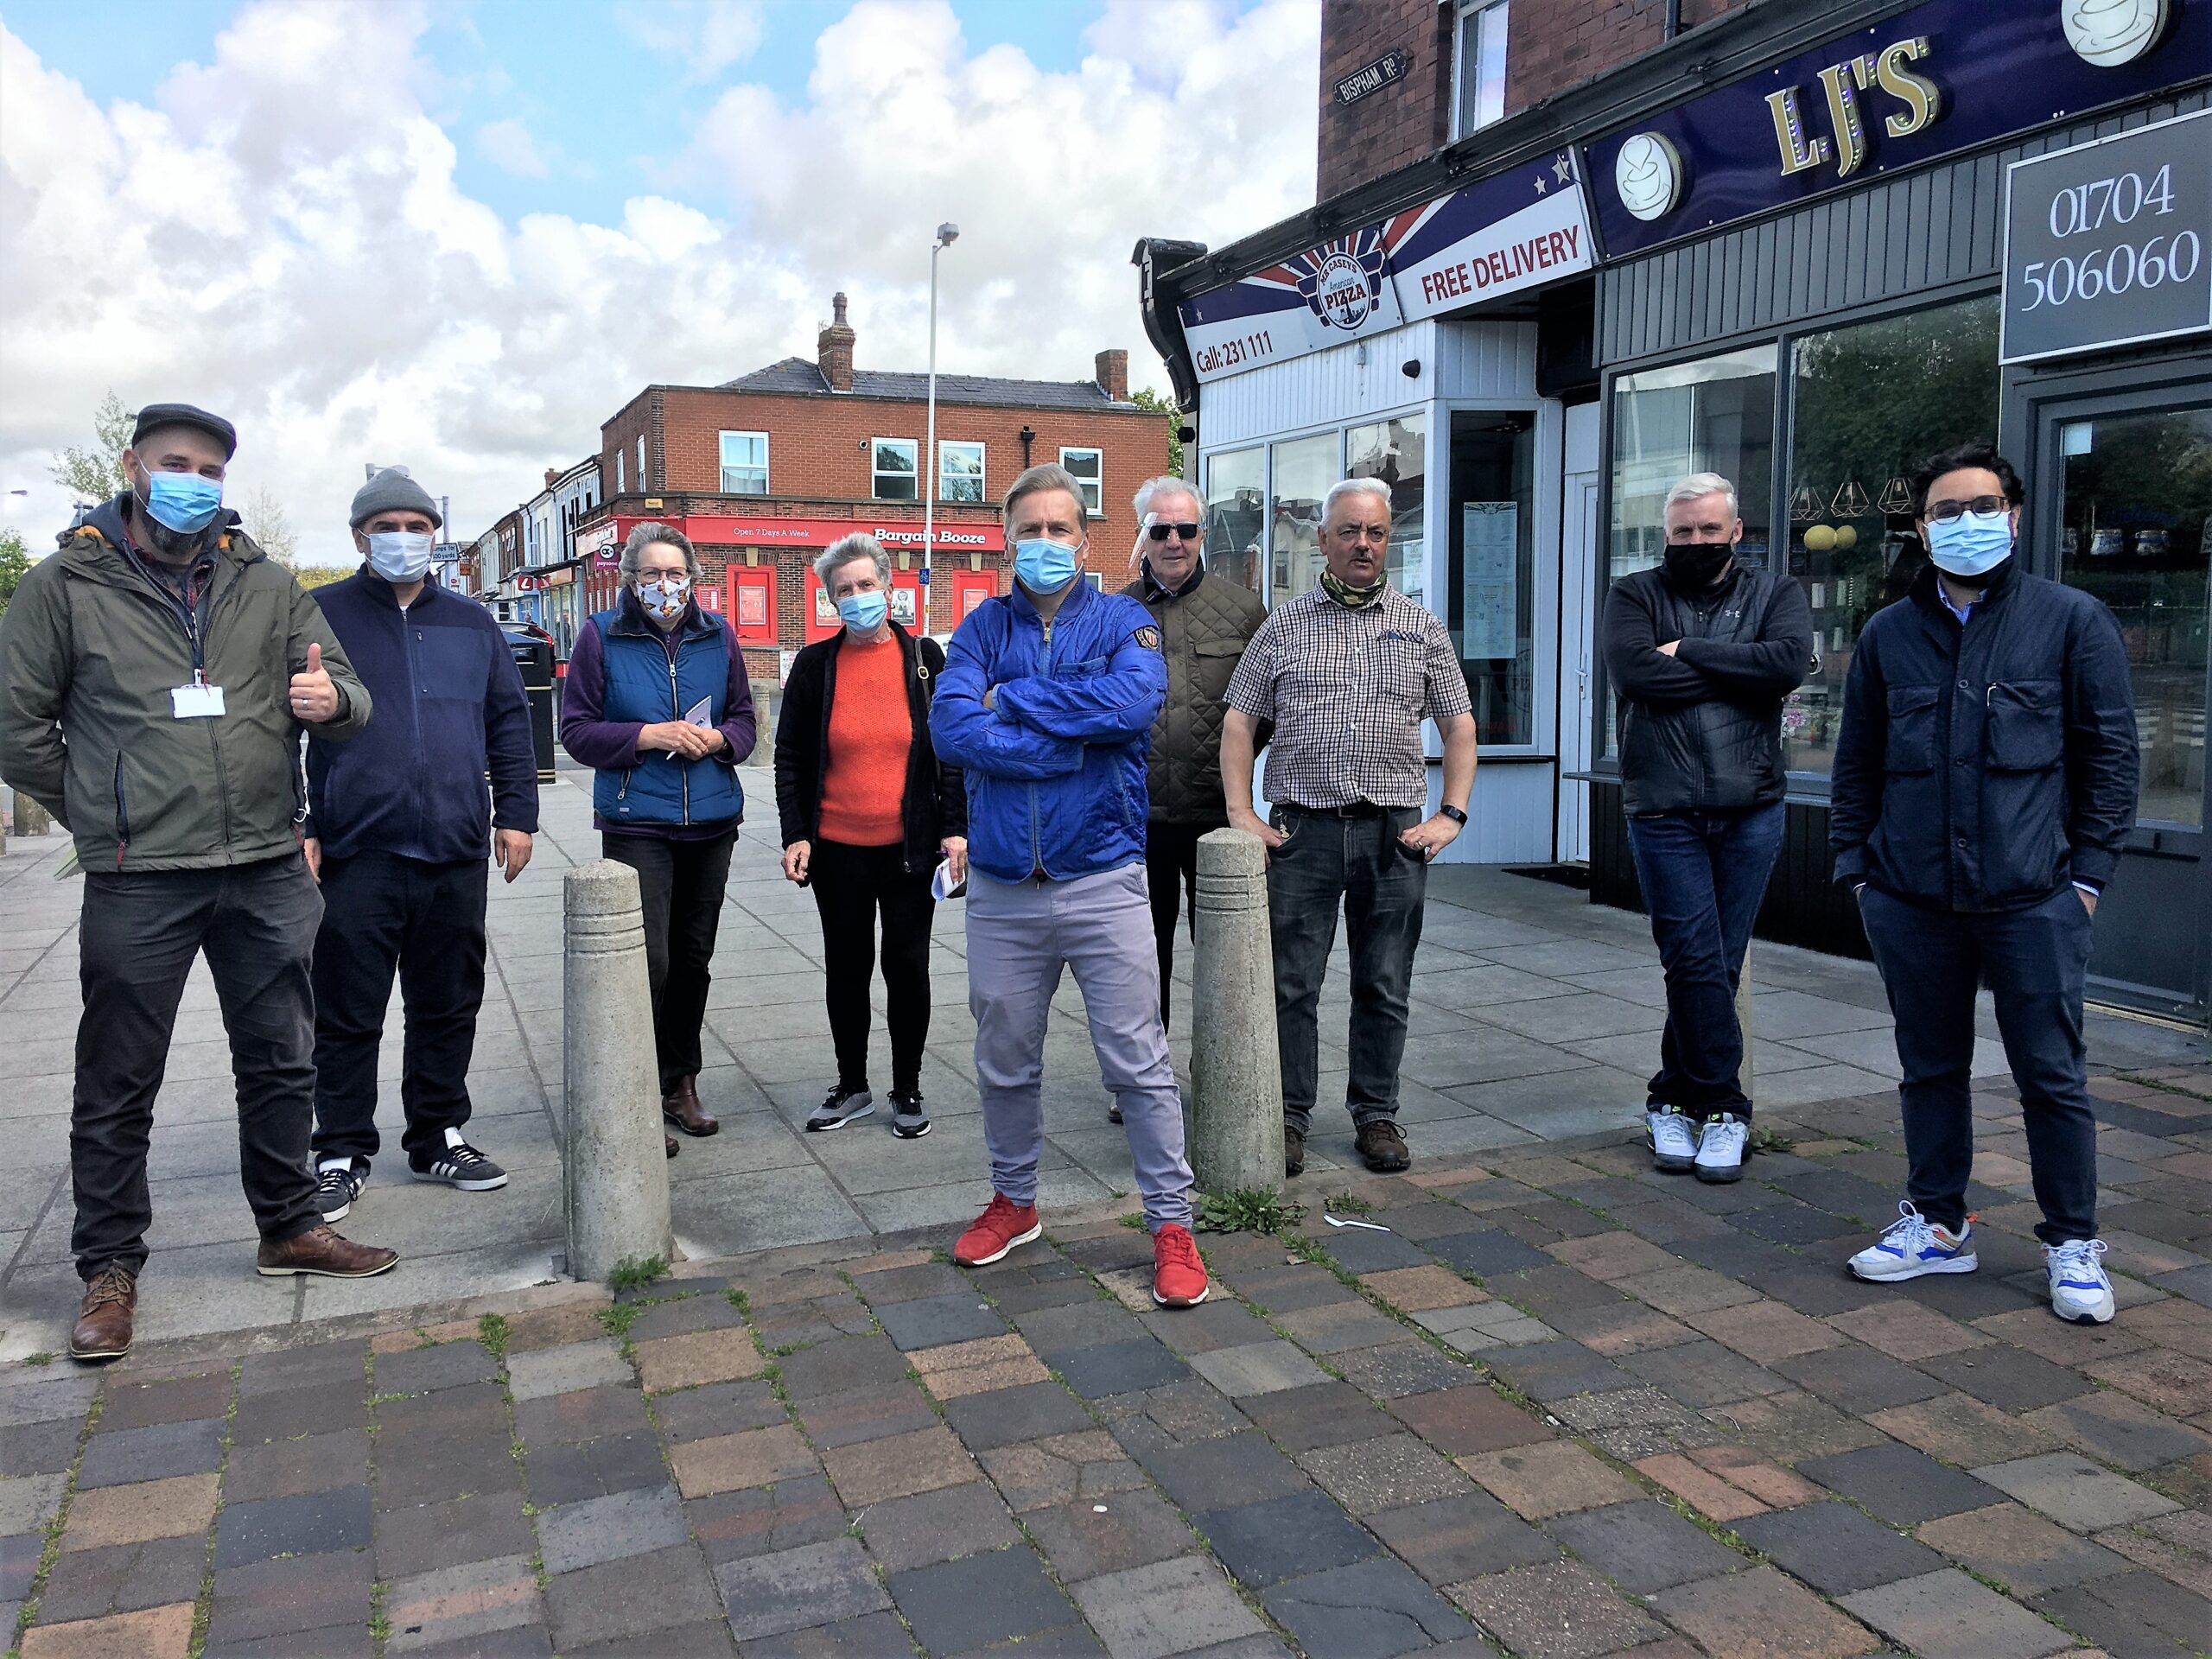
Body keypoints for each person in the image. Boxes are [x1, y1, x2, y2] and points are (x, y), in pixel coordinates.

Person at [0, 403, 397, 1363]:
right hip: (142, 876)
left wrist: (330, 699)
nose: (194, 481)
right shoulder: (64, 584)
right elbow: (16, 727)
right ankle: (109, 1267)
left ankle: (289, 1225)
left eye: (211, 469)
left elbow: (349, 696)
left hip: (264, 863)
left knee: (281, 1059)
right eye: (176, 463)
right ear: (133, 466)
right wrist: (107, 810)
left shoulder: (264, 583)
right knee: (118, 1077)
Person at [1831, 441, 2138, 1325]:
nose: (1964, 524)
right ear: (1921, 530)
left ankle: (2072, 1241)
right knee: (1929, 1068)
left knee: (2051, 1074)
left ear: (2013, 514)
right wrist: (1858, 873)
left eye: (1982, 507)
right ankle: (1937, 1223)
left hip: (2034, 898)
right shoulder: (1889, 634)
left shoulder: (2071, 621)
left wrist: (2086, 879)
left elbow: (2109, 760)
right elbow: (1857, 766)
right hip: (1912, 898)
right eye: (1944, 512)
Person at [929, 462, 1209, 1308]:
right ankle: (1015, 1201)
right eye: (1030, 530)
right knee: (1004, 1056)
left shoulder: (1124, 621)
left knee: (1137, 1060)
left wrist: (1009, 704)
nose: (1044, 543)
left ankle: (1170, 1221)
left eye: (1060, 529)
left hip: (1102, 875)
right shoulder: (979, 631)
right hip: (1006, 888)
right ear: (1005, 540)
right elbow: (949, 726)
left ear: (1085, 541)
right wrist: (1049, 743)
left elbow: (1129, 710)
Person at [302, 467, 541, 1221]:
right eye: (388, 526)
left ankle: (438, 1132)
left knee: (446, 1002)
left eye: (418, 526)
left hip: (453, 844)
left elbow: (508, 721)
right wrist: (301, 823)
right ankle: (339, 1148)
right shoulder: (320, 615)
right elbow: (277, 729)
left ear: (435, 537)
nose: (404, 539)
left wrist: (518, 816)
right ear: (359, 536)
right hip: (356, 849)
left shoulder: (472, 623)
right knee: (348, 1006)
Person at [1221, 477, 1476, 1179]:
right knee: (1291, 985)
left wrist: (1450, 814)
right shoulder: (1285, 625)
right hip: (1302, 835)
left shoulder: (1421, 627)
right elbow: (1239, 721)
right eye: (1349, 532)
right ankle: (1288, 1118)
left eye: (1376, 533)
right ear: (1325, 540)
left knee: (1384, 982)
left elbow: (1458, 724)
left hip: (1393, 837)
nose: (1363, 544)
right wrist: (1241, 812)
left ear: (1387, 541)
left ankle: (1376, 1114)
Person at [1601, 473, 1812, 1183]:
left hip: (1751, 804)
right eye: (1683, 531)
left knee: (1716, 964)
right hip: (1662, 806)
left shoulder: (1775, 594)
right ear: (1668, 533)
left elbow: (1784, 664)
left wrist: (1686, 650)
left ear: (1736, 532)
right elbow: (1635, 677)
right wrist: (1742, 671)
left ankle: (1671, 1097)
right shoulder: (1633, 594)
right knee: (1691, 958)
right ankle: (1724, 1106)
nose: (1696, 542)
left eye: (1708, 530)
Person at [559, 523, 757, 1157]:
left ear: (693, 578)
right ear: (630, 580)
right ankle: (636, 1090)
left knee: (693, 960)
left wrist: (720, 740)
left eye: (675, 574)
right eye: (651, 574)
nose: (665, 585)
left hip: (711, 823)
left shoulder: (718, 634)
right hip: (637, 821)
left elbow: (748, 723)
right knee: (649, 963)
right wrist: (648, 736)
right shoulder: (600, 636)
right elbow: (577, 731)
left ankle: (681, 1082)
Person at [776, 534, 967, 1140]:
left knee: (907, 967)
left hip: (910, 848)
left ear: (889, 586)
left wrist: (956, 830)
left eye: (865, 585)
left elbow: (952, 753)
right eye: (844, 591)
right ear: (831, 601)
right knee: (847, 967)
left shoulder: (926, 660)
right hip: (837, 848)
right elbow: (791, 759)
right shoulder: (814, 666)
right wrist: (796, 833)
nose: (857, 598)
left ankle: (906, 1086)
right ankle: (851, 1084)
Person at [1112, 476, 1266, 1125]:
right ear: (1142, 536)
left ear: (1203, 534)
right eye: (1160, 529)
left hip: (1217, 819)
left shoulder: (1245, 612)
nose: (1174, 541)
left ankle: (1222, 1068)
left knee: (1226, 955)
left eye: (1186, 529)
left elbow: (1270, 712)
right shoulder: (1113, 614)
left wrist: (1237, 784)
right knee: (1140, 959)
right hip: (1136, 820)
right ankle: (1143, 1080)